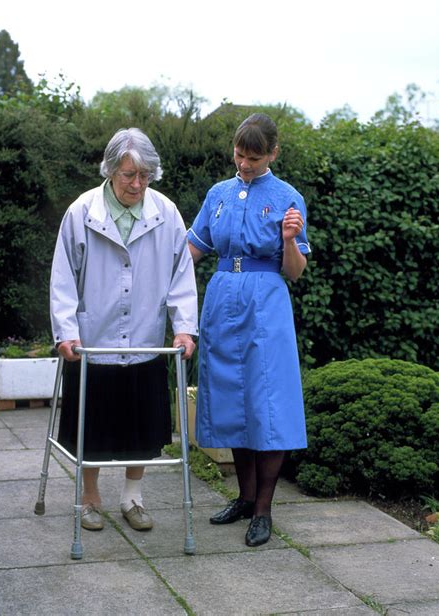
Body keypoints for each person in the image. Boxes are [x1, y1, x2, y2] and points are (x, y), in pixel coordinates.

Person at [50, 127, 198, 532]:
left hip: (146, 339)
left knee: (141, 426)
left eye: (145, 176)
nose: (137, 184)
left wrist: (184, 329)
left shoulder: (166, 213)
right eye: (129, 175)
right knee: (92, 426)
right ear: (111, 171)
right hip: (92, 339)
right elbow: (63, 276)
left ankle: (132, 498)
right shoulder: (82, 212)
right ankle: (90, 498)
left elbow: (181, 276)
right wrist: (65, 331)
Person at [187, 113, 310, 547]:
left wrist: (291, 239)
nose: (245, 164)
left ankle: (263, 510)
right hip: (223, 299)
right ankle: (242, 498)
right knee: (233, 398)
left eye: (254, 158)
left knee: (267, 402)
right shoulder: (218, 193)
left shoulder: (287, 197)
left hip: (266, 303)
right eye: (240, 154)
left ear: (273, 153)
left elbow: (294, 272)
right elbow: (192, 249)